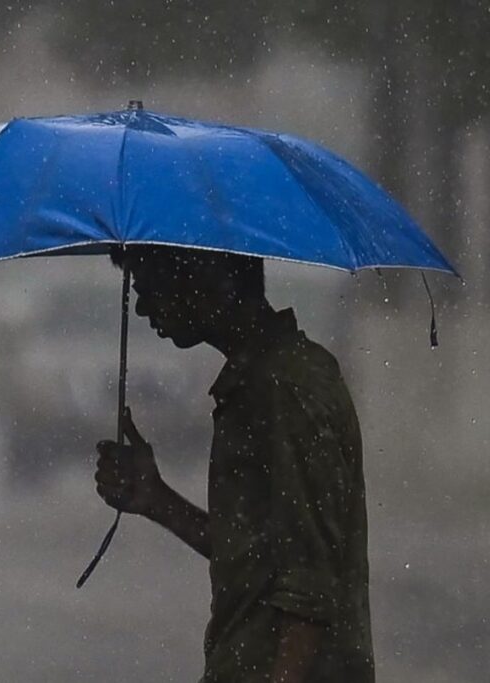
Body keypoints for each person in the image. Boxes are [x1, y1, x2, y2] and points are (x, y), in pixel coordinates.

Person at [94, 245, 374, 682]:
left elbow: (309, 589)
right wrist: (157, 500)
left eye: (149, 285)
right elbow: (258, 557)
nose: (144, 307)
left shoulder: (284, 390)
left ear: (202, 275)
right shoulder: (260, 381)